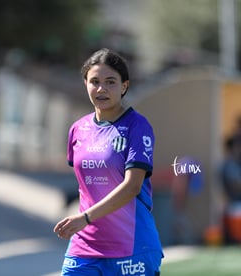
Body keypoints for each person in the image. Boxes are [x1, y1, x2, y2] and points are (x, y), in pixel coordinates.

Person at [53, 48, 163, 275]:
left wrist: (85, 217)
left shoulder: (137, 126)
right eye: (94, 81)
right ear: (85, 84)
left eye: (111, 82)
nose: (101, 89)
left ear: (124, 86)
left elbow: (132, 187)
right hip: (84, 246)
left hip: (131, 245)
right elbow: (88, 187)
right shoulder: (78, 129)